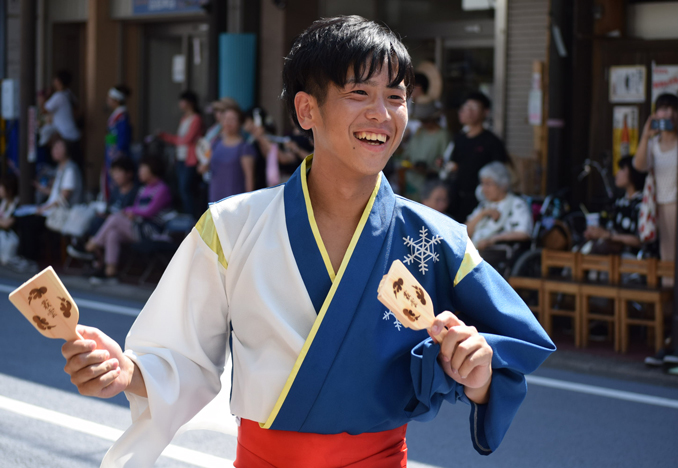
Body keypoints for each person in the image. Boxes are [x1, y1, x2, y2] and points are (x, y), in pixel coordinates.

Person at [61, 16, 554, 467]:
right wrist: (125, 371)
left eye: (397, 97)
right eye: (359, 93)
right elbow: (179, 356)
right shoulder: (231, 226)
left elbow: (509, 349)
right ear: (306, 109)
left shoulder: (436, 238)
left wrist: (479, 371)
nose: (382, 114)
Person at [71, 156, 172, 285]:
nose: (140, 172)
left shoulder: (162, 189)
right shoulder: (143, 189)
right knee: (113, 233)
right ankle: (110, 272)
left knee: (115, 218)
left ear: (153, 169)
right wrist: (131, 212)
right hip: (138, 227)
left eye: (143, 169)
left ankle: (91, 246)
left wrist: (130, 212)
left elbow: (149, 211)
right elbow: (136, 208)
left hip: (152, 231)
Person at [16, 136, 83, 264]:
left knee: (30, 222)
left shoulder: (70, 169)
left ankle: (30, 259)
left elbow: (63, 198)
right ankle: (23, 257)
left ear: (67, 150)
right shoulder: (60, 168)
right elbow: (57, 193)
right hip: (51, 209)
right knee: (23, 218)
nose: (55, 151)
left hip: (61, 213)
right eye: (54, 148)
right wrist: (42, 189)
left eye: (59, 148)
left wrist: (42, 209)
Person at [447, 92, 511, 223]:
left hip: (482, 200)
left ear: (485, 112)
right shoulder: (459, 139)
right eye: (466, 107)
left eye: (474, 108)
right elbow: (454, 163)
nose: (469, 112)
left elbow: (500, 171)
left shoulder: (492, 141)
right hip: (457, 198)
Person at [633, 93, 678, 269]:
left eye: (674, 109)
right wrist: (645, 136)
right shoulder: (653, 144)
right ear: (656, 114)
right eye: (665, 109)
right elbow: (639, 165)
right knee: (667, 257)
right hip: (660, 205)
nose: (670, 114)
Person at [583, 156, 646, 256]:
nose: (617, 174)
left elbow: (640, 240)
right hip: (611, 254)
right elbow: (608, 230)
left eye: (622, 169)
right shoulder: (619, 202)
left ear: (633, 172)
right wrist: (596, 233)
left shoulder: (642, 203)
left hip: (632, 257)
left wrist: (608, 236)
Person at [466, 161, 532, 251]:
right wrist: (483, 214)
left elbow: (523, 233)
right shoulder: (484, 205)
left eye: (488, 184)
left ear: (502, 185)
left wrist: (492, 240)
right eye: (482, 184)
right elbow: (464, 233)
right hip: (474, 250)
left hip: (497, 251)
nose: (484, 189)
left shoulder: (517, 204)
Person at [159, 90, 203, 218]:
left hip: (190, 160)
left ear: (189, 103)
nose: (180, 104)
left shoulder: (196, 119)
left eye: (182, 100)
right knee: (182, 189)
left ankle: (193, 218)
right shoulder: (184, 118)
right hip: (181, 158)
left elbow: (186, 140)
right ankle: (188, 217)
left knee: (186, 189)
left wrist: (167, 137)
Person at [199, 104, 256, 202]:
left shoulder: (244, 147)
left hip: (235, 201)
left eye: (232, 119)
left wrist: (249, 202)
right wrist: (203, 167)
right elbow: (206, 165)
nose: (228, 122)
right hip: (215, 198)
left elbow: (249, 177)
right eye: (225, 118)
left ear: (240, 123)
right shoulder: (216, 143)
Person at [401, 101, 450, 200]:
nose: (424, 123)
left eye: (426, 120)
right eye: (422, 120)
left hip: (430, 184)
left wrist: (428, 170)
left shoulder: (443, 135)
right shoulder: (419, 132)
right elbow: (407, 154)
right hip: (411, 181)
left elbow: (445, 161)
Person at [103, 85, 133, 201]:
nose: (107, 101)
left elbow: (123, 138)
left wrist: (119, 153)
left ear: (116, 100)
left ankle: (117, 202)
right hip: (111, 152)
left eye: (109, 98)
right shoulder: (117, 115)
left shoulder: (122, 116)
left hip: (117, 154)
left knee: (117, 179)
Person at [39, 70, 81, 148]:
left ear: (58, 81)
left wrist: (42, 99)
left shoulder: (59, 96)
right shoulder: (69, 93)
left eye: (55, 79)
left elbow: (44, 111)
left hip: (66, 135)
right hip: (74, 133)